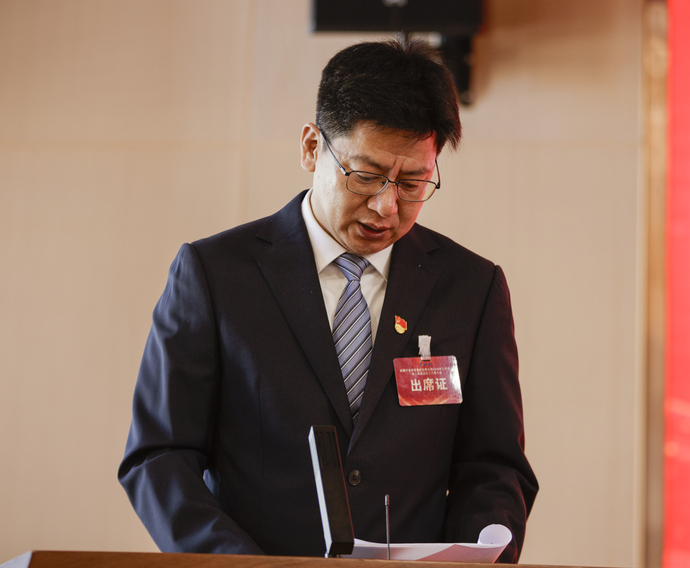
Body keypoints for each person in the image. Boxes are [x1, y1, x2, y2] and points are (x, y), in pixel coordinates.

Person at [118, 38, 538, 563]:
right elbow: (160, 457)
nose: (386, 206)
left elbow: (494, 468)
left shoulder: (471, 289)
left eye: (412, 183)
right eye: (366, 176)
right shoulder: (216, 276)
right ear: (312, 147)